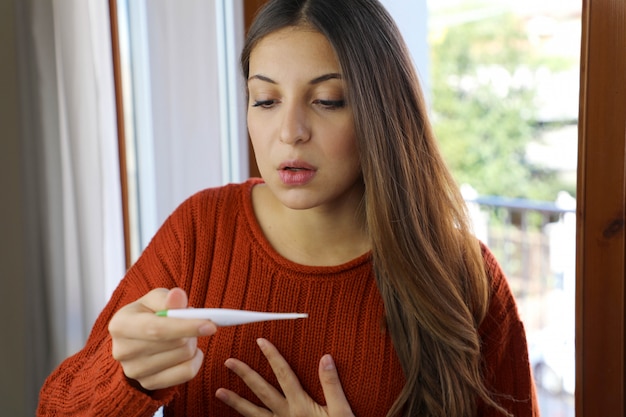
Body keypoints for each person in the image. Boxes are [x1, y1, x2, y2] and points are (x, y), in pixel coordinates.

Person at [37, 0, 539, 416]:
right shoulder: (200, 232)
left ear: (381, 112)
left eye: (327, 100)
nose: (290, 131)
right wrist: (125, 377)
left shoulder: (463, 279)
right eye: (265, 100)